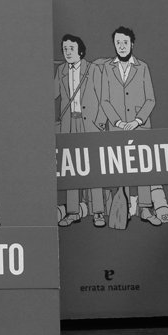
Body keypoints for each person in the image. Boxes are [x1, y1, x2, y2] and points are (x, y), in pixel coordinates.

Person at [100, 26, 161, 225]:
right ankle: (123, 208)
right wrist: (118, 122)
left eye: (125, 42)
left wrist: (136, 121)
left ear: (132, 44)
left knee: (142, 168)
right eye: (118, 42)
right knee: (120, 168)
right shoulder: (107, 68)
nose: (121, 46)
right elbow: (104, 100)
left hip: (140, 127)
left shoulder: (142, 67)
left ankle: (145, 208)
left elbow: (150, 99)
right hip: (116, 127)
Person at [55, 34, 106, 227]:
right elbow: (52, 93)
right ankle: (73, 212)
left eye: (71, 48)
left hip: (90, 125)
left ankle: (98, 212)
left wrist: (100, 122)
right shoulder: (61, 70)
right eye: (65, 49)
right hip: (69, 124)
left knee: (93, 168)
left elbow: (103, 97)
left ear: (80, 51)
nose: (67, 52)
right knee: (70, 168)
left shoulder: (92, 69)